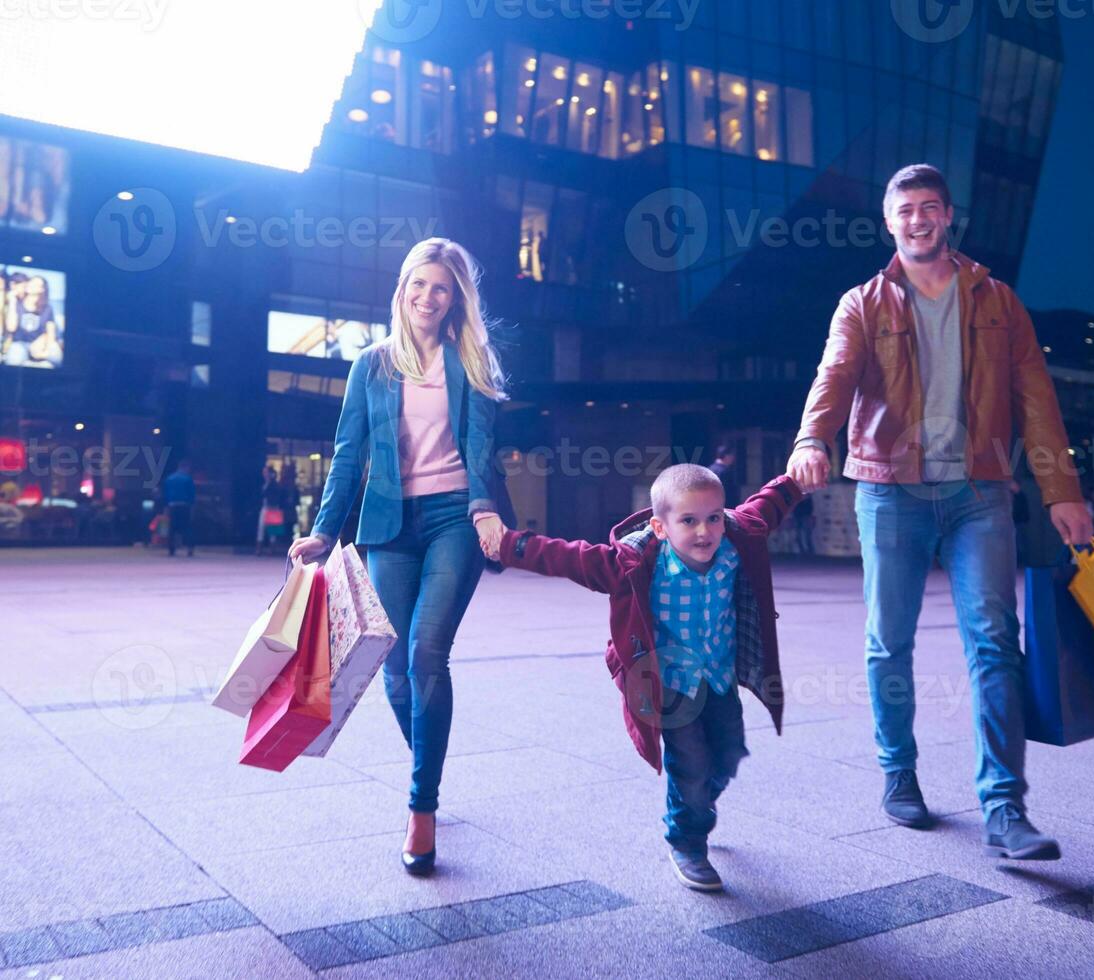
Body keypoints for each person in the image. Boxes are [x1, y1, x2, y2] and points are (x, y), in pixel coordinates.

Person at [787, 164, 1092, 861]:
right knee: (886, 640)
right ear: (888, 222)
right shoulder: (862, 303)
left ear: (948, 215)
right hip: (888, 489)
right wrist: (812, 438)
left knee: (993, 642)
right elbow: (833, 375)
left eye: (930, 207)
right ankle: (898, 773)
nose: (918, 219)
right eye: (905, 210)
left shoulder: (998, 302)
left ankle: (1004, 808)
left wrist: (1061, 491)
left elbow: (1036, 400)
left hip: (978, 492)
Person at [288, 238, 513, 878]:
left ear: (455, 299)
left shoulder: (469, 363)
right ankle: (429, 763)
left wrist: (484, 509)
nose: (427, 297)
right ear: (403, 290)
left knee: (425, 655)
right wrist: (324, 534)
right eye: (418, 284)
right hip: (389, 526)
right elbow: (347, 455)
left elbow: (478, 449)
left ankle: (422, 807)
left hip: (454, 521)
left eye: (440, 288)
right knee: (393, 671)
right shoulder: (373, 365)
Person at [491, 465, 802, 891]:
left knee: (727, 756)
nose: (704, 531)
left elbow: (767, 505)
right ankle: (687, 841)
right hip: (670, 689)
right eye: (688, 520)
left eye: (713, 517)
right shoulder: (634, 564)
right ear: (660, 526)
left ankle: (695, 808)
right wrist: (510, 545)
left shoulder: (736, 543)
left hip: (718, 679)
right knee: (690, 766)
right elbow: (568, 556)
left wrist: (798, 478)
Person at [162, 459, 196, 557]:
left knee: (172, 528)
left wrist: (166, 507)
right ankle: (190, 548)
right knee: (187, 527)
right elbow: (192, 495)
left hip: (172, 506)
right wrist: (193, 507)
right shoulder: (188, 479)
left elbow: (166, 494)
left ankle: (171, 549)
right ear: (186, 467)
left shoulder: (169, 478)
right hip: (184, 506)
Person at [254, 466, 283, 556]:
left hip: (273, 508)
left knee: (273, 530)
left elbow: (277, 496)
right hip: (265, 507)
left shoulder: (274, 484)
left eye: (266, 472)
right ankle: (259, 549)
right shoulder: (264, 483)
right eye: (264, 472)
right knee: (261, 528)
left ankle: (272, 549)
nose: (264, 474)